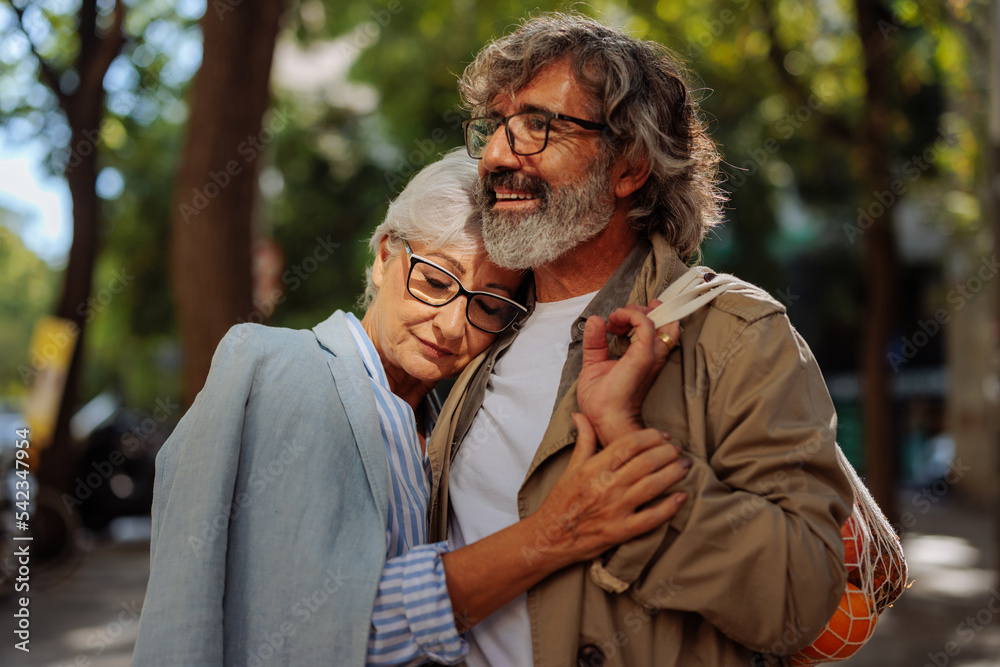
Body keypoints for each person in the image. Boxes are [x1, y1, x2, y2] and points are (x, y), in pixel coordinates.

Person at [132, 149, 690, 666]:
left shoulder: (448, 424)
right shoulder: (280, 368)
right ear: (383, 258)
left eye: (489, 307)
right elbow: (322, 629)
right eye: (433, 280)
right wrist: (550, 535)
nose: (451, 325)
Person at [426, 13, 855, 667]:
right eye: (492, 128)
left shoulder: (737, 332)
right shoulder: (475, 332)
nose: (497, 155)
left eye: (538, 127)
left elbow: (801, 597)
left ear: (628, 167)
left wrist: (631, 457)